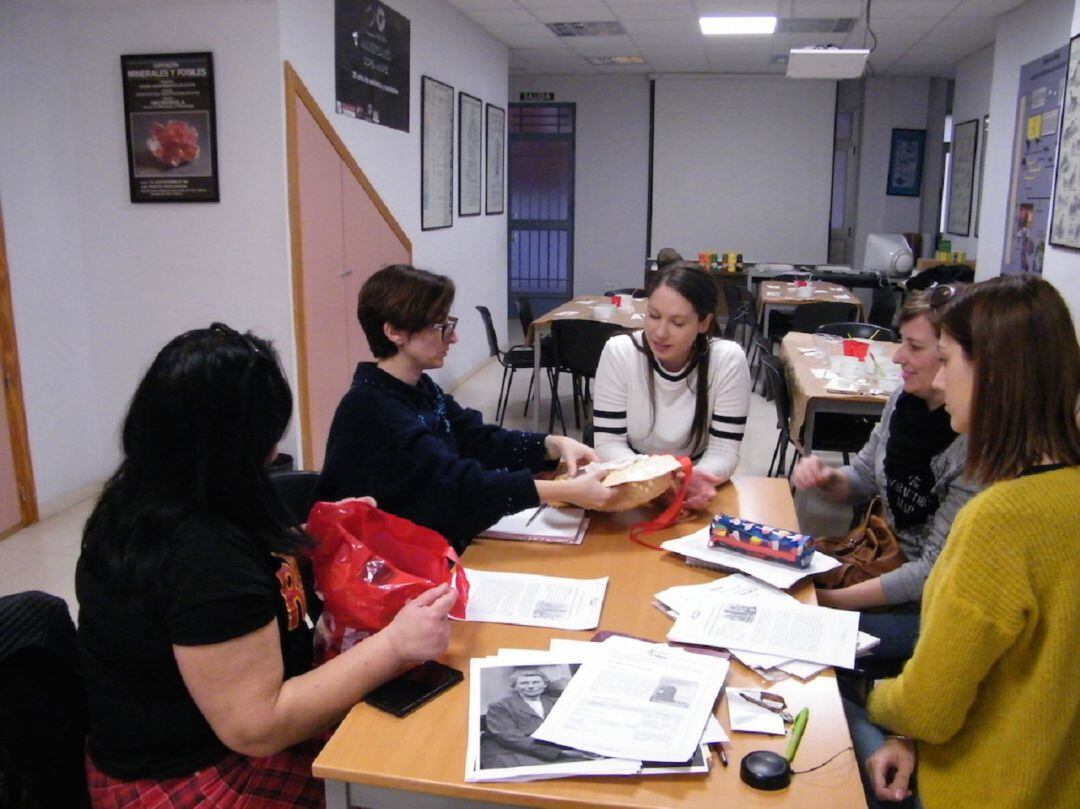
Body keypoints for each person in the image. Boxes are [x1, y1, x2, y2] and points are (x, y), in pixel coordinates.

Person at [77, 324, 458, 808]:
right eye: (266, 435)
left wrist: (325, 540)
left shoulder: (180, 486)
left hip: (221, 738)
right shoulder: (199, 550)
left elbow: (262, 570)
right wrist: (396, 645)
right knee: (403, 779)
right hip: (191, 773)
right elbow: (256, 729)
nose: (276, 450)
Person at [861, 276, 1080, 809]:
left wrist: (875, 698)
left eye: (950, 360)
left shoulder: (998, 519)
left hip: (981, 787)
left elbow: (926, 709)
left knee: (816, 711)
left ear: (994, 377)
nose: (939, 375)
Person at [314, 264, 613, 551]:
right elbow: (454, 485)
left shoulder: (418, 388)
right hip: (393, 567)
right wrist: (560, 491)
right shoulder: (370, 407)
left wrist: (551, 445)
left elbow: (476, 438)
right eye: (440, 326)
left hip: (428, 544)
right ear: (395, 332)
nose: (453, 337)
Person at [791, 293, 980, 670]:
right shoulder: (903, 401)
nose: (897, 357)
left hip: (922, 605)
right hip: (878, 563)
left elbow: (928, 573)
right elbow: (863, 476)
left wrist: (827, 604)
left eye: (915, 347)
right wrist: (828, 479)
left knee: (802, 637)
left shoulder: (972, 447)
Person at [592, 262, 751, 510]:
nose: (660, 332)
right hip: (631, 480)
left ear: (704, 323)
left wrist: (694, 479)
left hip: (695, 483)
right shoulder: (621, 352)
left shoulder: (727, 360)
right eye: (653, 316)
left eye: (677, 323)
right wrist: (653, 481)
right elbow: (608, 442)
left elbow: (724, 451)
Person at [480, 668, 591, 769]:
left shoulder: (558, 702)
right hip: (515, 750)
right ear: (514, 687)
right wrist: (560, 752)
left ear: (545, 685)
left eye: (536, 682)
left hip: (554, 748)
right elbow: (510, 739)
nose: (531, 686)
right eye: (524, 683)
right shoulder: (500, 706)